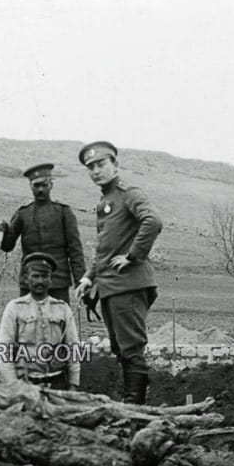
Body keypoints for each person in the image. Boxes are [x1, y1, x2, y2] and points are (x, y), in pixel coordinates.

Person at [73, 141, 163, 404]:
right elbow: (106, 248)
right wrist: (89, 277)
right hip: (112, 287)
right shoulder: (105, 202)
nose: (96, 171)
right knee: (121, 349)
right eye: (91, 167)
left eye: (101, 164)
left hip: (129, 286)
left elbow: (154, 221)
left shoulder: (128, 194)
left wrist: (134, 256)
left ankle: (136, 408)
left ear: (115, 165)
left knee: (131, 349)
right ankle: (131, 403)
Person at [0, 163, 86, 302]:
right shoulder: (22, 214)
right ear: (30, 187)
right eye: (36, 186)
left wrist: (80, 281)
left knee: (59, 320)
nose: (41, 189)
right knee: (27, 321)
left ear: (51, 185)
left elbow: (75, 250)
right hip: (29, 282)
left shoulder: (64, 212)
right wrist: (2, 230)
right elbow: (7, 246)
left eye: (44, 185)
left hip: (57, 282)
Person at [0, 253, 81, 390]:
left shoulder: (62, 309)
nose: (40, 281)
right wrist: (13, 386)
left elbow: (73, 350)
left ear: (50, 279)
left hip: (57, 383)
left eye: (45, 276)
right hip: (25, 384)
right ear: (26, 279)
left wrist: (73, 385)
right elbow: (4, 351)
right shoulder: (14, 308)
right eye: (35, 276)